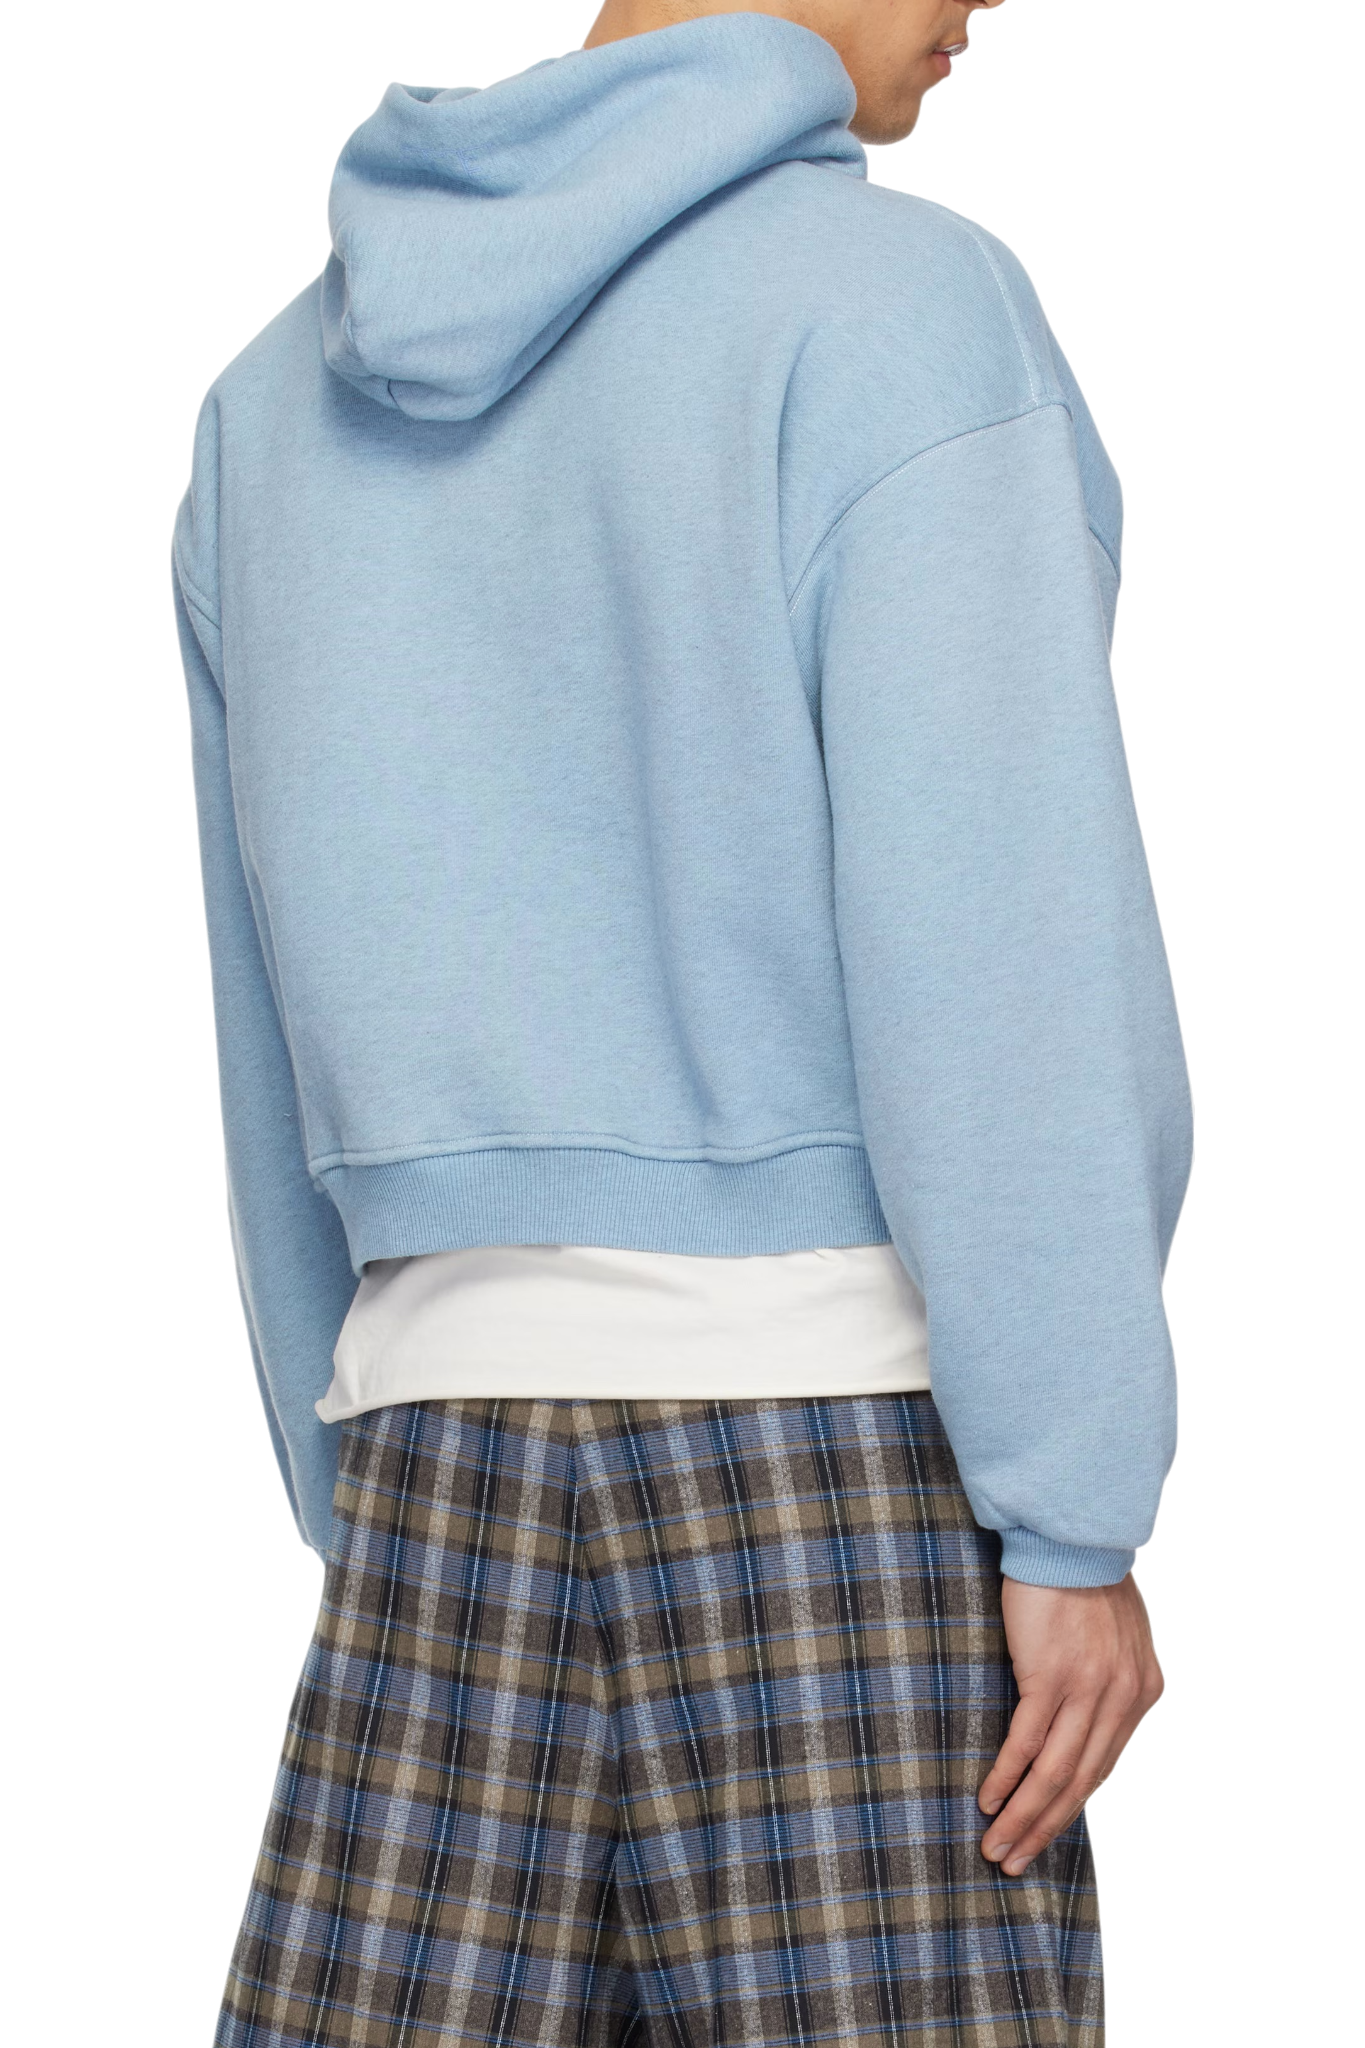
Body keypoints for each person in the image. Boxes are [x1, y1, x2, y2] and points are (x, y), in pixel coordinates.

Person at [174, 4, 1191, 2041]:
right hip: (834, 1477)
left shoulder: (268, 397)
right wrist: (1073, 1503)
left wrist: (350, 1482)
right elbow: (1000, 943)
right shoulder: (902, 309)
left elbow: (258, 1011)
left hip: (428, 1474)